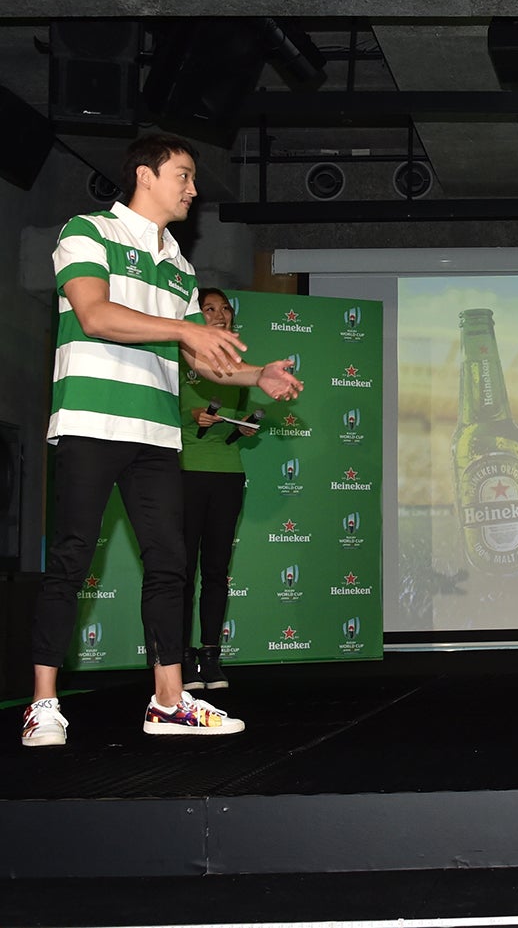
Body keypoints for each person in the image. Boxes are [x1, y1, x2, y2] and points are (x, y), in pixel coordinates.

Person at [21, 134, 303, 748]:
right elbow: (95, 316)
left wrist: (257, 376)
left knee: (170, 563)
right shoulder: (88, 231)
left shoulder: (178, 265)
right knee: (70, 559)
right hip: (91, 422)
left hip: (155, 434)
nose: (194, 189)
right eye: (184, 175)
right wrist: (185, 331)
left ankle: (169, 702)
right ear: (145, 176)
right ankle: (43, 704)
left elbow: (202, 359)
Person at [178, 288, 260, 692]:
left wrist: (242, 428)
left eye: (224, 308)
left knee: (215, 570)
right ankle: (179, 658)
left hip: (227, 473)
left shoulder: (237, 367)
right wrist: (193, 415)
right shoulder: (181, 354)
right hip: (186, 471)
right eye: (209, 308)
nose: (219, 314)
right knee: (180, 571)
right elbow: (167, 413)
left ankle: (211, 656)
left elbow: (231, 425)